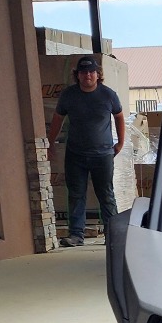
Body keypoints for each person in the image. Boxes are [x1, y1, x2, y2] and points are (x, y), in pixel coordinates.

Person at [47, 55, 125, 246]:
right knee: (76, 195)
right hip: (76, 155)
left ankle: (112, 235)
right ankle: (76, 235)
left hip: (103, 155)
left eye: (91, 72)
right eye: (83, 72)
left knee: (106, 194)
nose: (88, 75)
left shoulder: (109, 95)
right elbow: (57, 119)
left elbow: (119, 117)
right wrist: (49, 142)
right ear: (78, 75)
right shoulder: (69, 95)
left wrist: (120, 143)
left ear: (98, 74)